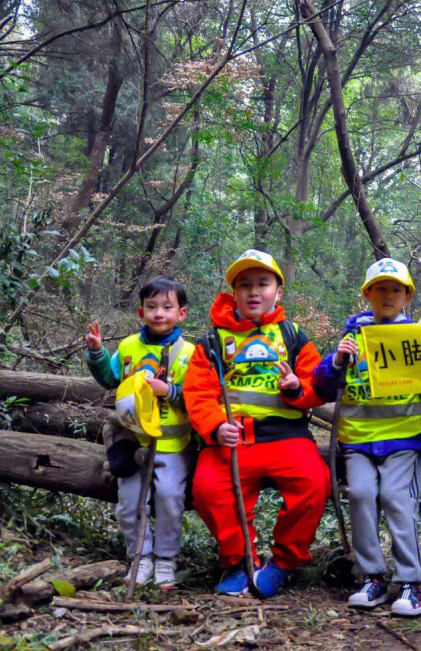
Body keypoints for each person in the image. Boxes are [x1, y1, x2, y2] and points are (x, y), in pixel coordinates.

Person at [182, 249, 330, 598]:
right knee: (208, 489)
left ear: (278, 292)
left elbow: (318, 385)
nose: (253, 292)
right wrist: (216, 426)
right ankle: (241, 562)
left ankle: (284, 564)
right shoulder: (213, 341)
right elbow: (198, 392)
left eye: (263, 284)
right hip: (232, 441)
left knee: (314, 484)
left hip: (288, 438)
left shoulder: (293, 335)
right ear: (233, 293)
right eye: (244, 284)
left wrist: (298, 389)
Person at [313, 258, 421, 617]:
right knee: (362, 497)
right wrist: (336, 360)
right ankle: (373, 577)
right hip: (357, 440)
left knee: (397, 499)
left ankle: (413, 582)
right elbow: (321, 384)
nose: (387, 295)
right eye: (380, 288)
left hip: (403, 439)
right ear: (367, 293)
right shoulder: (352, 336)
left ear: (407, 297)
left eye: (396, 289)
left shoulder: (416, 335)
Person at [85, 276, 194, 590]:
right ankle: (140, 558)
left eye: (167, 307)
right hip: (131, 441)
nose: (159, 313)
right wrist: (97, 354)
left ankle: (166, 560)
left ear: (181, 313)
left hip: (173, 445)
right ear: (140, 312)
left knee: (171, 498)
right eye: (152, 307)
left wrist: (169, 390)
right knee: (130, 503)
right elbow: (110, 378)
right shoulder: (129, 346)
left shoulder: (189, 353)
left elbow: (198, 397)